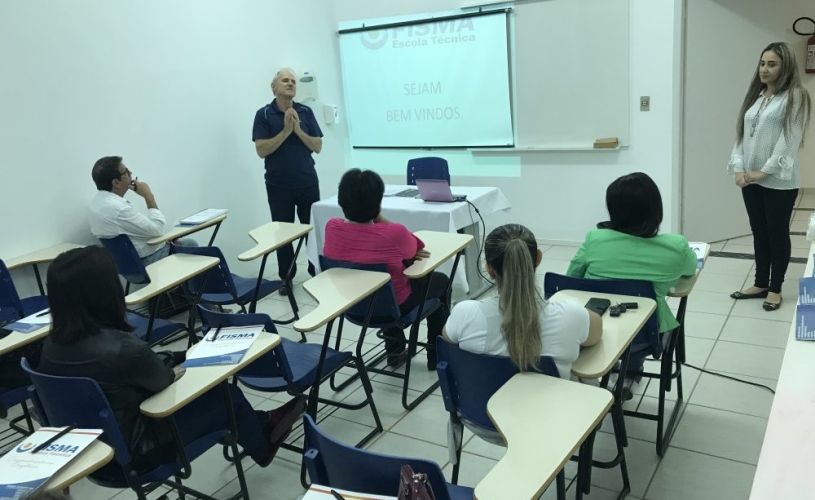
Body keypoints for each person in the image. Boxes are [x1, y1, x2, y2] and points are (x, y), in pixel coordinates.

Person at [37, 246, 305, 474]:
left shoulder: (51, 344)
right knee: (226, 395)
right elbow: (162, 380)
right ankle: (263, 445)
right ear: (104, 292)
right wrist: (180, 364)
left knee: (218, 394)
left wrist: (177, 355)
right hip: (139, 454)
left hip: (93, 452)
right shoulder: (122, 348)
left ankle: (264, 421)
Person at [566, 173, 697, 398]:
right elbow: (689, 270)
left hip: (592, 331)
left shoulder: (594, 238)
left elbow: (571, 279)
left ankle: (593, 381)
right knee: (640, 325)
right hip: (644, 337)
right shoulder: (675, 245)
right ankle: (631, 372)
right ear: (656, 210)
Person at [323, 168, 449, 369]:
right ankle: (438, 355)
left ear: (341, 201)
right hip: (393, 308)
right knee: (440, 281)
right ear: (378, 203)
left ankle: (395, 350)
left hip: (351, 305)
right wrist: (380, 218)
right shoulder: (393, 233)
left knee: (384, 279)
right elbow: (416, 247)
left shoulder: (332, 227)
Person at [444, 224, 602, 378]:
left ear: (489, 269)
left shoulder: (465, 314)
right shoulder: (572, 315)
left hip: (484, 404)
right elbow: (596, 332)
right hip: (550, 404)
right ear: (538, 258)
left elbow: (448, 337)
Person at [728, 42, 812, 311]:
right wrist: (739, 168)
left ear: (785, 66)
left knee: (777, 234)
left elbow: (790, 140)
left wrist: (763, 171)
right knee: (759, 233)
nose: (764, 69)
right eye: (762, 63)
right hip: (750, 179)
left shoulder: (796, 96)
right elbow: (741, 137)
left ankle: (775, 289)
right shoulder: (757, 96)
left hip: (778, 180)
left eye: (772, 64)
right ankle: (761, 282)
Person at [253, 68, 323, 294]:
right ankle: (286, 278)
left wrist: (298, 131)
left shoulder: (306, 111)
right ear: (274, 87)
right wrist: (285, 131)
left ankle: (316, 273)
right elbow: (262, 150)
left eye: (293, 81)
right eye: (285, 80)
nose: (291, 84)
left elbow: (317, 146)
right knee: (283, 235)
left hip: (307, 183)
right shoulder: (263, 114)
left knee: (311, 232)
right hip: (278, 186)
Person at [88, 156, 196, 269]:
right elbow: (158, 229)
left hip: (124, 266)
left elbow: (134, 233)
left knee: (172, 241)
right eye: (126, 172)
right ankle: (185, 287)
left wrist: (162, 240)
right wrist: (148, 195)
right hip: (142, 264)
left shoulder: (96, 203)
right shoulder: (119, 209)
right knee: (190, 244)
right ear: (116, 182)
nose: (130, 173)